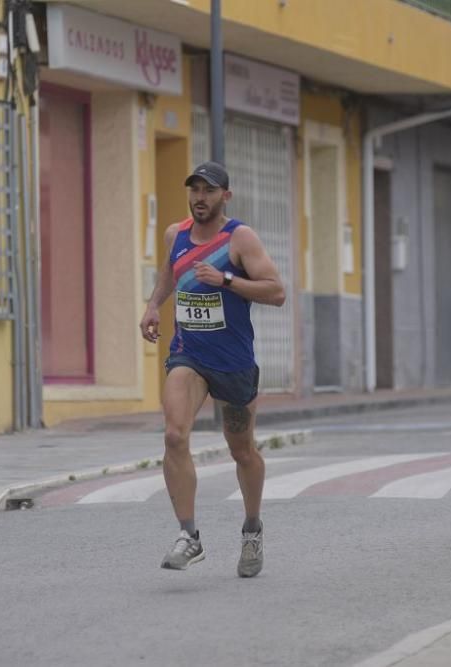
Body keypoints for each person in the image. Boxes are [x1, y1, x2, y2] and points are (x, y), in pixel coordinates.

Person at [139, 161, 285, 577]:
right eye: (195, 190)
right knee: (173, 434)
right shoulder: (176, 234)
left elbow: (276, 292)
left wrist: (225, 280)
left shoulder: (239, 238)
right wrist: (153, 306)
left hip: (233, 362)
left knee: (242, 449)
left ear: (226, 195)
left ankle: (252, 529)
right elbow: (170, 271)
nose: (200, 198)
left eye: (209, 190)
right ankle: (189, 536)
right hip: (190, 354)